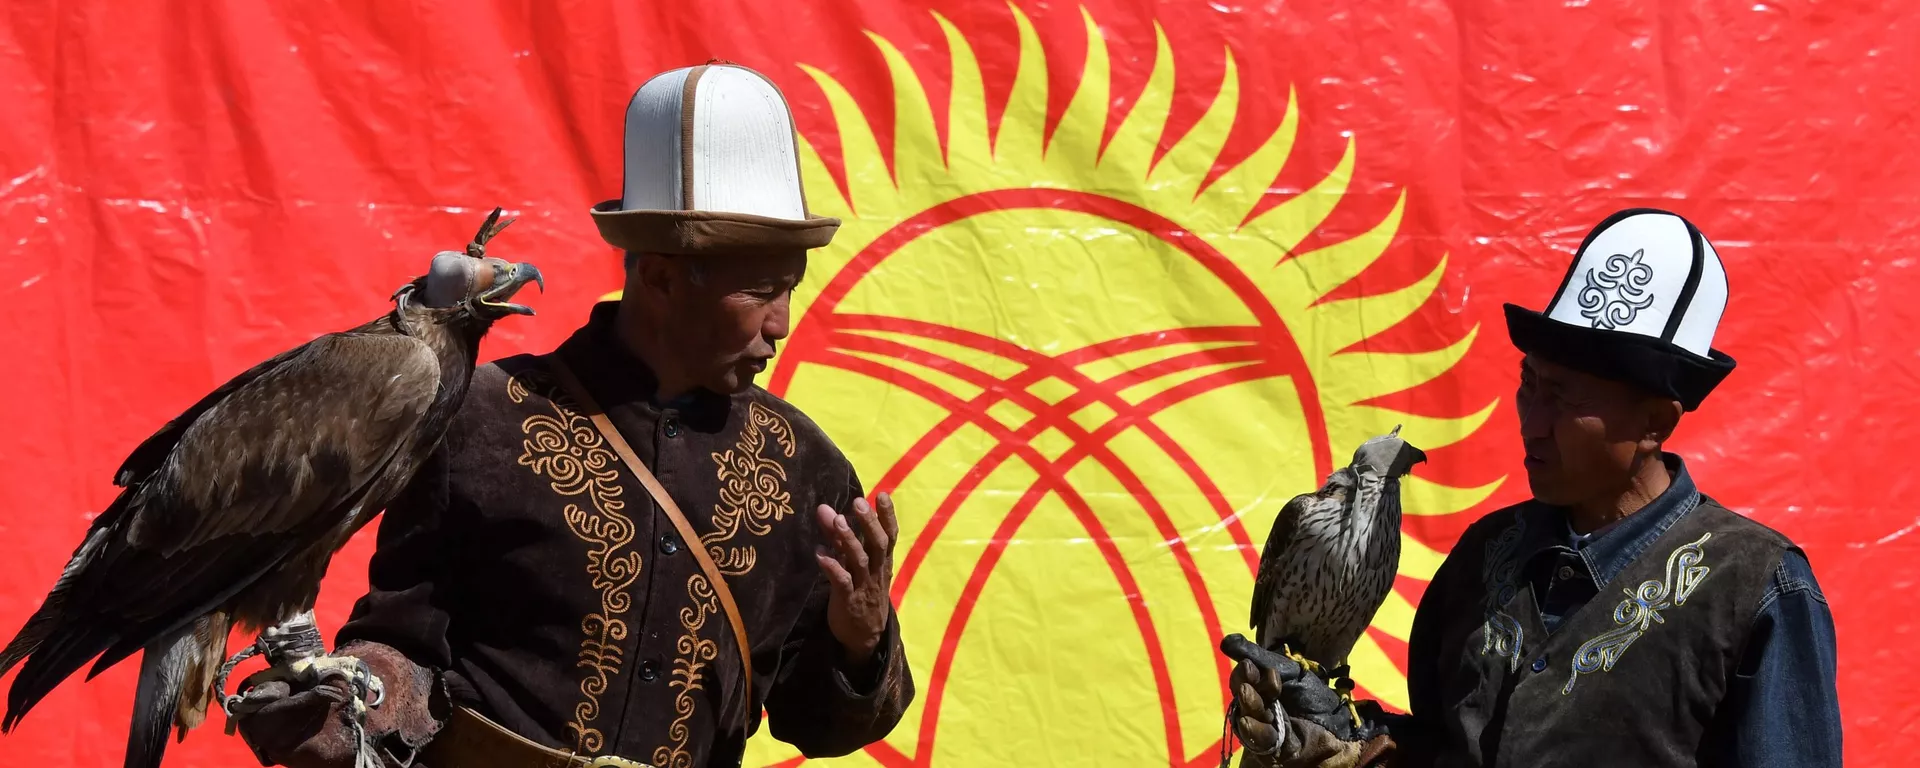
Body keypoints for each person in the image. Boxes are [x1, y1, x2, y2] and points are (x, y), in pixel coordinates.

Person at [228, 62, 914, 768]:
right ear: (661, 277)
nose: (782, 323)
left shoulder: (806, 471)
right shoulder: (478, 421)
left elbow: (821, 727)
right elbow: (404, 641)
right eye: (762, 292)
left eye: (790, 289)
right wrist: (358, 701)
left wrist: (861, 639)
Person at [1225, 209, 1843, 767]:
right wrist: (1351, 744)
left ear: (1655, 422)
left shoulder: (1756, 586)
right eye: (1529, 384)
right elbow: (1443, 747)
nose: (1532, 421)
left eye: (1564, 398)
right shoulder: (1484, 557)